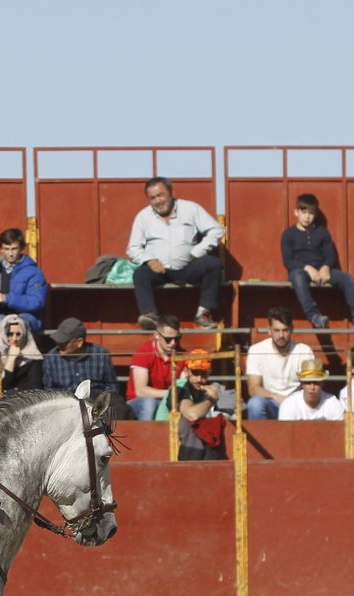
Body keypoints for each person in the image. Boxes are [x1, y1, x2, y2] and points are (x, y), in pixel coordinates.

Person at [126, 176, 224, 330]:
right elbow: (133, 248)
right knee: (140, 274)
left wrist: (198, 251)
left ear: (171, 193)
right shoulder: (143, 217)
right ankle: (150, 315)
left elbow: (217, 230)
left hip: (188, 267)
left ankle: (203, 313)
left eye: (160, 195)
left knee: (214, 264)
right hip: (160, 270)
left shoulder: (191, 209)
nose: (158, 201)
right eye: (152, 198)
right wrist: (149, 260)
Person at [282, 193, 354, 330]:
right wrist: (307, 267)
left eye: (311, 213)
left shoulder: (322, 232)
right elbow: (288, 260)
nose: (307, 216)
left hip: (323, 270)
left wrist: (325, 267)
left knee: (347, 278)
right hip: (301, 271)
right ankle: (315, 316)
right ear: (296, 212)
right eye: (304, 212)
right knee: (297, 276)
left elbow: (330, 255)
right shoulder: (288, 234)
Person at [0, 228, 48, 354]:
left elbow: (37, 301)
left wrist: (8, 298)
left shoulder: (33, 272)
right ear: (1, 249)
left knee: (12, 325)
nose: (10, 254)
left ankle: (15, 363)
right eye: (7, 249)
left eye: (14, 249)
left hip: (26, 315)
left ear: (21, 249)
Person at [244, 309, 314, 420]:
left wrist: (291, 402)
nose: (281, 335)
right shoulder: (256, 350)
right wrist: (276, 397)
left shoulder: (304, 350)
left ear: (291, 330)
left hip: (296, 405)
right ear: (269, 330)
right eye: (276, 330)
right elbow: (253, 388)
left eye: (285, 330)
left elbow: (311, 385)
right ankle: (261, 437)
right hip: (271, 402)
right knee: (255, 404)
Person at [126, 315, 181, 420]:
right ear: (156, 335)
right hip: (138, 401)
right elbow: (140, 391)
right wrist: (170, 393)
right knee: (149, 403)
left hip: (167, 400)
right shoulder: (143, 352)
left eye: (177, 338)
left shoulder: (181, 355)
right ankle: (146, 435)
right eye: (168, 339)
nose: (173, 343)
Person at [41, 317, 115, 393]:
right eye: (58, 341)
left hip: (94, 400)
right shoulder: (51, 358)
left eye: (64, 342)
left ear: (79, 342)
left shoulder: (101, 355)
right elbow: (48, 390)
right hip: (64, 401)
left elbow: (111, 386)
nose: (59, 345)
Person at [176, 355, 227, 460]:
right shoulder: (180, 388)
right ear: (186, 372)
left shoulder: (205, 390)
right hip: (174, 437)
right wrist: (212, 400)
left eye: (203, 374)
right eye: (195, 373)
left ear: (209, 373)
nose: (199, 379)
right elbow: (192, 415)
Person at [0, 313, 42, 393]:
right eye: (10, 334)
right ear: (3, 334)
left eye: (18, 334)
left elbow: (34, 387)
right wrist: (11, 359)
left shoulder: (32, 355)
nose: (14, 338)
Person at [278, 359, 345, 421]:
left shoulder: (333, 404)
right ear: (302, 384)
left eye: (316, 383)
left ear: (322, 383)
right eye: (308, 382)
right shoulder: (289, 405)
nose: (312, 387)